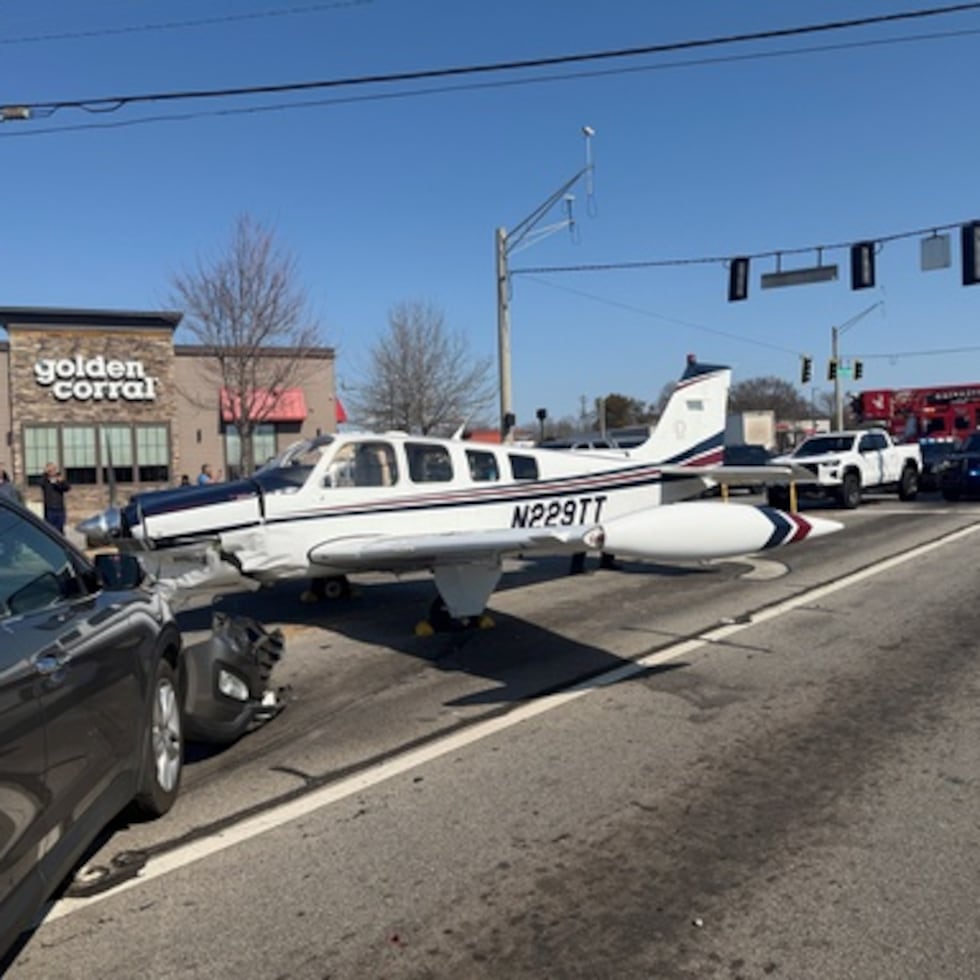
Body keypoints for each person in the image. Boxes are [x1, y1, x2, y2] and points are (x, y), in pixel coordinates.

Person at [42, 462, 70, 534]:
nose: (53, 472)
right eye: (51, 470)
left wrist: (60, 481)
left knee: (60, 529)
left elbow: (67, 487)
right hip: (50, 509)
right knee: (50, 529)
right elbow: (41, 483)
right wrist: (46, 475)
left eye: (54, 469)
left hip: (60, 508)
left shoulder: (59, 479)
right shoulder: (45, 481)